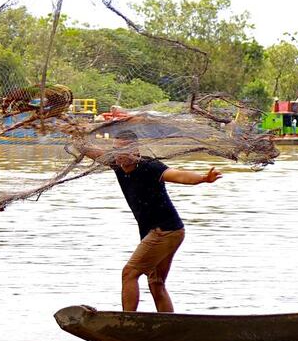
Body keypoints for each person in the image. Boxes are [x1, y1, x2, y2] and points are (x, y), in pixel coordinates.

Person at [74, 129, 222, 312]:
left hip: (163, 231)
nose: (119, 155)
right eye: (115, 150)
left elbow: (177, 175)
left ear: (136, 150)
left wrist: (203, 179)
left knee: (129, 273)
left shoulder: (150, 167)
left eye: (124, 149)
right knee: (156, 282)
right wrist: (73, 133)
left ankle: (127, 321)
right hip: (170, 231)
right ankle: (168, 326)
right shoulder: (117, 165)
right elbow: (90, 150)